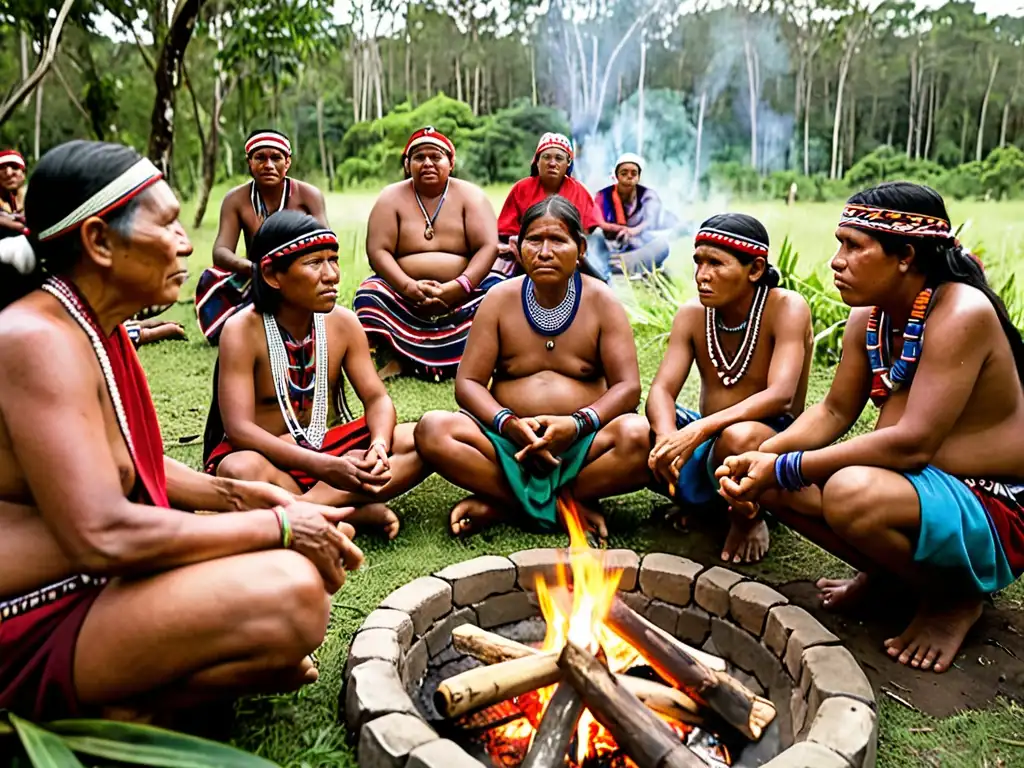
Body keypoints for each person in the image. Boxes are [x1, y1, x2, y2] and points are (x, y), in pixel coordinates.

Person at [0, 140, 363, 723]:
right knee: (294, 595)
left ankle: (137, 699)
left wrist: (238, 495)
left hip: (93, 582)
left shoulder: (93, 324)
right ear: (98, 241)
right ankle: (118, 704)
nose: (187, 244)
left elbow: (123, 464)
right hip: (30, 615)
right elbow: (103, 535)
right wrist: (277, 523)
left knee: (295, 600)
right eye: (167, 225)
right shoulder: (37, 341)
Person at [716, 182, 1024, 673]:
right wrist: (762, 456)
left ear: (904, 255)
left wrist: (784, 466)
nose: (837, 260)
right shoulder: (871, 318)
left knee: (846, 491)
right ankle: (889, 578)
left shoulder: (961, 312)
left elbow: (911, 444)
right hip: (912, 490)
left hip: (989, 506)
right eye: (839, 243)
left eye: (853, 246)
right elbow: (834, 412)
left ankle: (955, 599)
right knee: (751, 447)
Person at [415, 196, 649, 539]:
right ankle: (562, 507)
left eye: (558, 240)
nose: (544, 251)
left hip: (581, 448)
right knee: (433, 430)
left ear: (581, 248)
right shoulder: (499, 299)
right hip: (508, 446)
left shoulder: (601, 301)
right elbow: (468, 384)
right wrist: (509, 425)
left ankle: (505, 503)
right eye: (534, 240)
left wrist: (576, 424)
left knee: (640, 437)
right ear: (517, 246)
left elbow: (628, 388)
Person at [206, 210, 429, 539]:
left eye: (334, 260)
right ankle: (343, 510)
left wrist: (379, 446)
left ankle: (309, 511)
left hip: (328, 450)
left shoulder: (343, 323)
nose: (332, 275)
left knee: (421, 439)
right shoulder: (242, 330)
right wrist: (325, 467)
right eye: (314, 263)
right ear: (272, 275)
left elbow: (377, 398)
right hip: (271, 461)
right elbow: (239, 430)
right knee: (237, 470)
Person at [645, 214, 812, 564]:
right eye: (698, 262)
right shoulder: (692, 315)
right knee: (636, 435)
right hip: (711, 435)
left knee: (736, 439)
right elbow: (661, 390)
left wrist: (700, 428)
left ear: (754, 269)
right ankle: (710, 506)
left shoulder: (785, 307)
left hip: (767, 437)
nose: (702, 275)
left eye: (716, 263)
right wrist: (666, 438)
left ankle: (747, 517)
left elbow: (780, 395)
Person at [353, 127, 503, 381]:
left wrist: (460, 286)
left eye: (436, 157)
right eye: (419, 157)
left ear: (451, 163)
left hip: (463, 297)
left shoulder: (472, 197)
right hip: (404, 298)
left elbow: (488, 247)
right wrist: (407, 286)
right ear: (407, 163)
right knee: (369, 294)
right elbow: (378, 251)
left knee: (500, 293)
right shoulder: (390, 198)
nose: (427, 163)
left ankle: (475, 358)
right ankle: (398, 357)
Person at [195, 129, 328, 344]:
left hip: (299, 277)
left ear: (288, 162)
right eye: (260, 158)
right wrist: (255, 269)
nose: (268, 165)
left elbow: (325, 244)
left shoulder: (308, 195)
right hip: (257, 276)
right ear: (249, 162)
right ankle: (260, 322)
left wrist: (294, 270)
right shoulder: (236, 199)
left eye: (276, 157)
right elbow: (220, 252)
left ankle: (285, 321)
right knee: (211, 280)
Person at [496, 132, 611, 281]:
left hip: (568, 257)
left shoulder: (579, 191)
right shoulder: (521, 188)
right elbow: (505, 233)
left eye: (559, 158)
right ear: (537, 162)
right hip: (527, 257)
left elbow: (591, 230)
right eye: (546, 157)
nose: (552, 163)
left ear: (568, 163)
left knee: (598, 281)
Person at [591, 153, 680, 278]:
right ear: (616, 176)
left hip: (639, 244)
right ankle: (618, 265)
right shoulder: (602, 195)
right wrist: (620, 230)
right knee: (594, 241)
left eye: (633, 173)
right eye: (624, 173)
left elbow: (649, 220)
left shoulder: (648, 195)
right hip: (610, 246)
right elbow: (598, 221)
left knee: (662, 245)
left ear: (638, 177)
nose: (629, 177)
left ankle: (625, 264)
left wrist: (632, 231)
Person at [0, 149, 27, 237]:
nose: (8, 173)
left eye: (15, 167)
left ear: (24, 173)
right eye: (1, 168)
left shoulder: (37, 197)